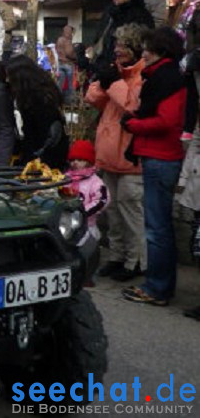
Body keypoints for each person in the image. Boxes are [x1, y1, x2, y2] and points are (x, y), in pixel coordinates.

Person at [121, 27, 187, 307]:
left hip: (161, 157)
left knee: (157, 228)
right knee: (157, 226)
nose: (143, 53)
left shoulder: (168, 78)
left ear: (160, 50)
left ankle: (158, 288)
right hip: (157, 156)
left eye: (147, 49)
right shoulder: (162, 76)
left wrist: (133, 124)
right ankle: (158, 285)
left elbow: (167, 122)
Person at [84, 24, 148, 282]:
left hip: (131, 159)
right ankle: (117, 257)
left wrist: (115, 83)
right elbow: (93, 98)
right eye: (117, 46)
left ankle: (137, 262)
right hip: (109, 155)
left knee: (131, 212)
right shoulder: (118, 74)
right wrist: (105, 80)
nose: (119, 50)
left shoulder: (143, 75)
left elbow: (134, 105)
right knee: (112, 211)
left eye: (124, 46)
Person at [6, 55, 69, 170]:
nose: (8, 80)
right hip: (49, 153)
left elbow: (35, 135)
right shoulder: (44, 93)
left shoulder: (35, 101)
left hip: (43, 157)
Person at [66, 140, 110, 286]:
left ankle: (87, 275)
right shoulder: (66, 178)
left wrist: (84, 212)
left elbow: (102, 200)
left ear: (88, 161)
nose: (75, 163)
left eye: (79, 160)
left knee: (88, 250)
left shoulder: (95, 182)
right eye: (72, 160)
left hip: (87, 223)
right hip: (68, 222)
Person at [93, 0, 155, 71]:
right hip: (107, 68)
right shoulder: (112, 13)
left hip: (127, 70)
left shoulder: (140, 16)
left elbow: (135, 49)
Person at [56, 25, 78, 103]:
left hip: (60, 63)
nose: (72, 34)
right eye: (71, 32)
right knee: (70, 84)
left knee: (60, 84)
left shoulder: (59, 40)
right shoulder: (67, 40)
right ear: (68, 32)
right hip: (68, 63)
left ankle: (56, 99)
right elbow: (69, 53)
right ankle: (70, 101)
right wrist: (75, 56)